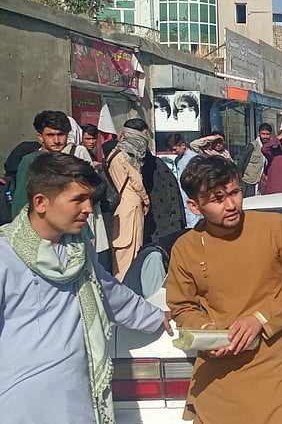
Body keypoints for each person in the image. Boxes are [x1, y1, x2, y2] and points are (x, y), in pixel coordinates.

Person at [0, 152, 171, 424]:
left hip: (75, 396)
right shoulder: (6, 256)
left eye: (90, 198)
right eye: (78, 199)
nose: (89, 208)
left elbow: (109, 292)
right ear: (41, 202)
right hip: (18, 400)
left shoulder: (79, 251)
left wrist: (158, 316)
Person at [166, 155, 282, 423]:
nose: (231, 205)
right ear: (194, 206)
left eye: (234, 193)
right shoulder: (186, 248)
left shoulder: (274, 227)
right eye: (217, 199)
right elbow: (182, 306)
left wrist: (260, 319)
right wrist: (207, 332)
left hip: (274, 377)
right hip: (218, 384)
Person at [108, 118, 152, 281]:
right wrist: (146, 200)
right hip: (130, 207)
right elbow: (137, 182)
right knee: (130, 250)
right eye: (144, 134)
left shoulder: (114, 153)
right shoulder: (128, 156)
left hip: (119, 206)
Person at [11, 110, 73, 216]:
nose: (56, 140)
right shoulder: (31, 161)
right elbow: (21, 201)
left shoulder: (70, 161)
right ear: (40, 137)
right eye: (50, 135)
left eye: (60, 134)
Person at [166, 133, 202, 228]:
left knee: (194, 222)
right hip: (182, 196)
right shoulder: (178, 159)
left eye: (175, 149)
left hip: (192, 194)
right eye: (171, 150)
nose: (173, 152)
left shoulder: (194, 158)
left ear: (183, 145)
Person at [237, 123, 271, 197]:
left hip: (261, 182)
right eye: (263, 134)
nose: (265, 136)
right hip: (249, 181)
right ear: (259, 134)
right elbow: (242, 163)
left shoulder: (270, 147)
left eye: (267, 134)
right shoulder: (253, 146)